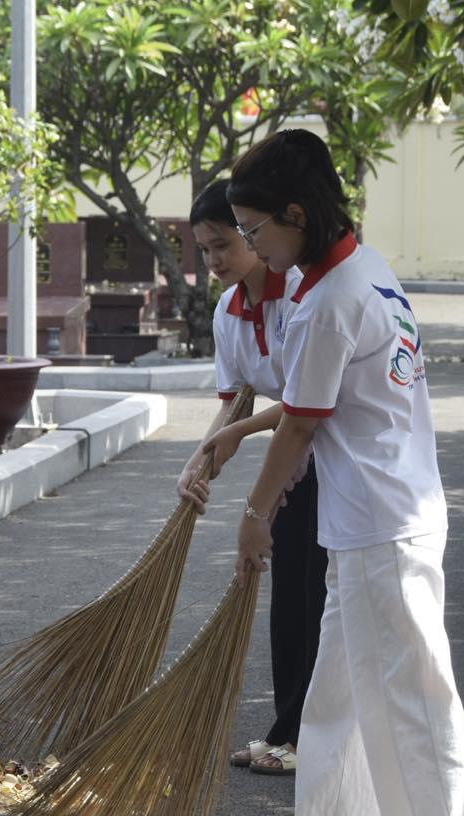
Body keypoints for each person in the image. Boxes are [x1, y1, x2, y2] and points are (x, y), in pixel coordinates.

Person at [220, 129, 464, 816]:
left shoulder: (331, 299)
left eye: (253, 230)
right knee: (335, 693)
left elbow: (301, 421)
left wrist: (253, 516)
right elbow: (304, 413)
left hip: (381, 525)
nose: (250, 246)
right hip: (383, 515)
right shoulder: (361, 271)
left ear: (296, 214)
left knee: (411, 700)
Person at [177, 178, 326, 777]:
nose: (213, 260)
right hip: (291, 459)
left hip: (334, 460)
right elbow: (235, 403)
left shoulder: (301, 294)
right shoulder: (228, 310)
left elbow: (307, 402)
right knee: (289, 596)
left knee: (318, 595)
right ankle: (286, 732)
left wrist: (237, 439)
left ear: (253, 235)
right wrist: (200, 463)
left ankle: (310, 735)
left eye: (222, 245)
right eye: (204, 249)